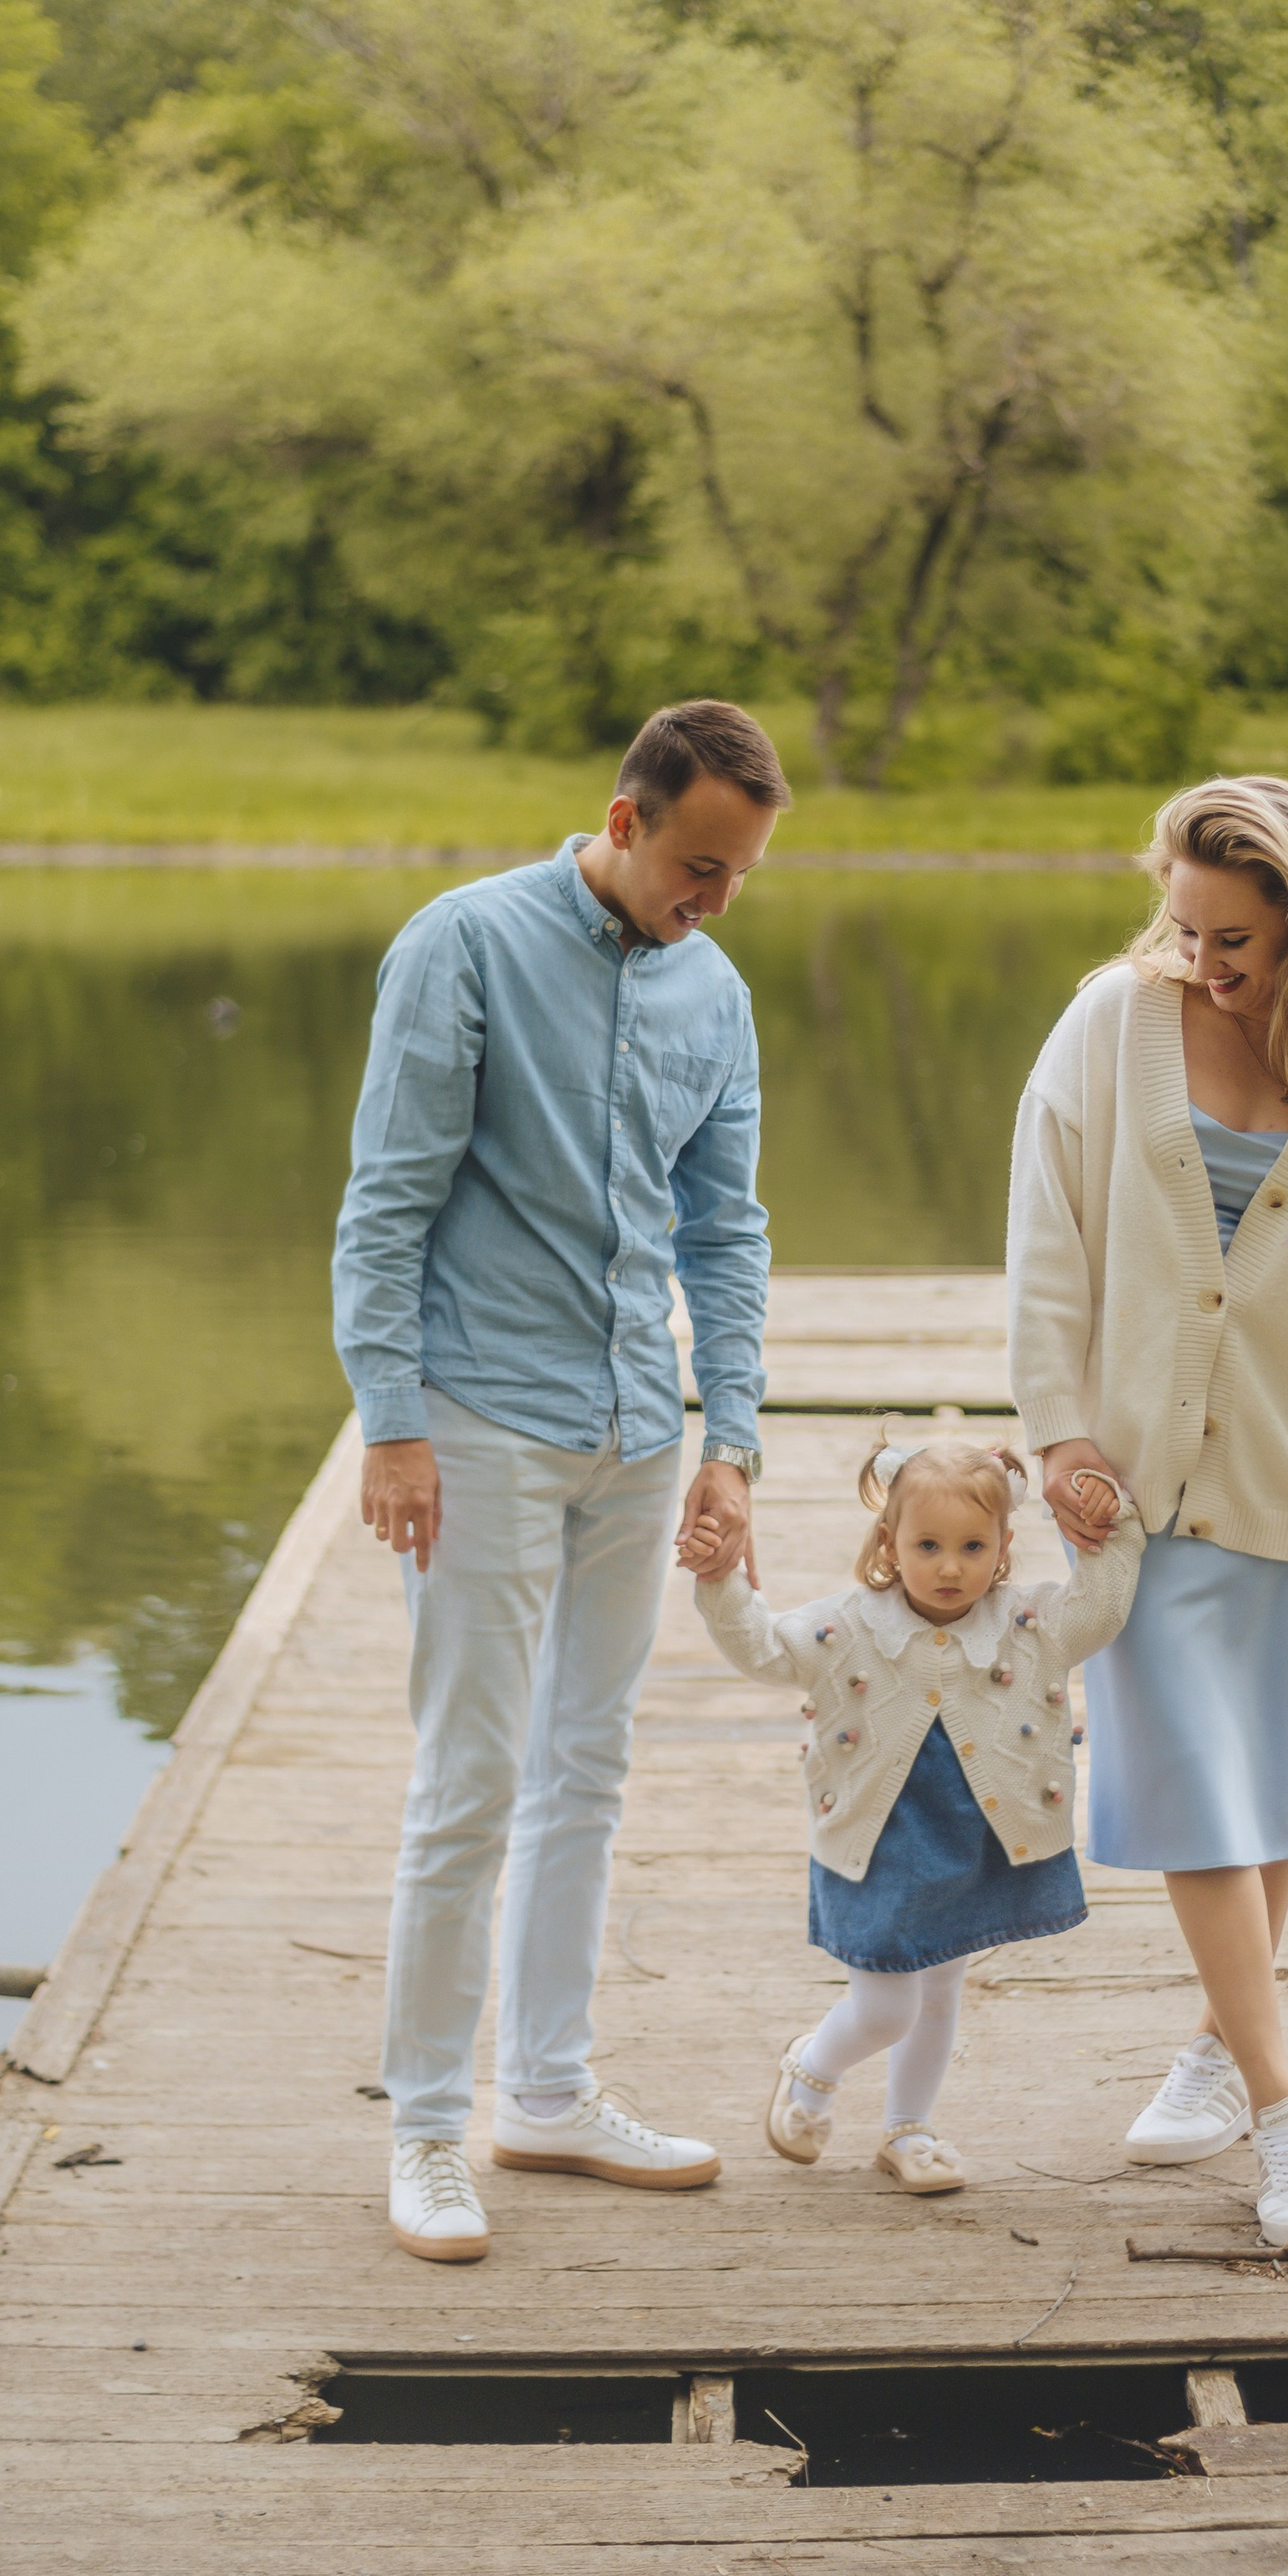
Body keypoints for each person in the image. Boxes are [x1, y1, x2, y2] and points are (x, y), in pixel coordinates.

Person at [332, 699, 790, 2262]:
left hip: (634, 1431)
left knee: (586, 1770)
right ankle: (425, 2130)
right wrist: (390, 1420)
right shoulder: (459, 947)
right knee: (470, 1779)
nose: (716, 897)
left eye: (740, 874)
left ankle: (546, 2089)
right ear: (624, 815)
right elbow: (385, 1204)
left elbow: (725, 1230)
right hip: (481, 1426)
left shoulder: (713, 992)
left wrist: (729, 1434)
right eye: (700, 863)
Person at [1007, 775, 1288, 2253]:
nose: (1201, 960)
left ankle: (1213, 2046)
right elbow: (1045, 1240)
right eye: (1186, 924)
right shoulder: (1110, 1024)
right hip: (1129, 1477)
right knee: (1202, 1789)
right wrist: (1056, 1432)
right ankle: (1286, 2112)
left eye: (1235, 941)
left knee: (1266, 1791)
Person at [690, 1434, 1145, 2193]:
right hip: (880, 1839)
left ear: (1002, 1548)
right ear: (888, 1542)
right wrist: (720, 1580)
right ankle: (813, 2064)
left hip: (976, 1838)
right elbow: (765, 1649)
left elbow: (1102, 1608)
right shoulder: (851, 1626)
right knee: (887, 2005)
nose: (948, 1566)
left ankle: (910, 2127)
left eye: (972, 1546)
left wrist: (1113, 1525)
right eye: (927, 1544)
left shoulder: (1030, 1623)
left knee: (939, 1993)